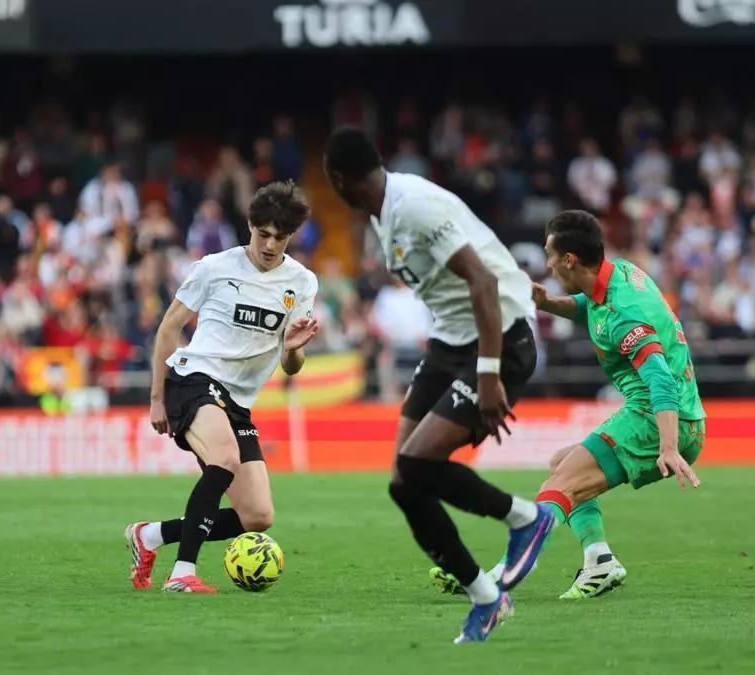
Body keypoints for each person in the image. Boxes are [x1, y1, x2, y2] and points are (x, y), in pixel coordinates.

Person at [323, 127, 551, 643]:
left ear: (338, 180)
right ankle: (488, 598)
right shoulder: (382, 215)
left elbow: (483, 282)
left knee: (417, 463)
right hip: (449, 345)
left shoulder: (414, 205)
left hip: (499, 338)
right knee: (404, 485)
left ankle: (525, 518)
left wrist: (490, 376)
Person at [125, 181, 319, 593]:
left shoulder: (301, 283)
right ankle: (182, 575)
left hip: (236, 402)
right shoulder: (216, 267)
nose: (269, 245)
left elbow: (290, 365)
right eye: (262, 234)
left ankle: (150, 536)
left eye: (279, 237)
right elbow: (168, 329)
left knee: (258, 517)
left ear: (291, 237)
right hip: (192, 379)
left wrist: (293, 348)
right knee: (226, 458)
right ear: (249, 226)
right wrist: (157, 398)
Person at [523, 209, 705, 598]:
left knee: (562, 484)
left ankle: (510, 567)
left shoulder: (625, 314)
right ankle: (600, 560)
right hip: (678, 417)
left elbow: (659, 378)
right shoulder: (619, 273)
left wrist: (668, 446)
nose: (548, 263)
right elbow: (592, 308)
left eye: (550, 254)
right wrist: (548, 303)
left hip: (656, 418)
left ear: (569, 259)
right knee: (561, 465)